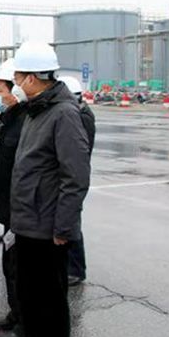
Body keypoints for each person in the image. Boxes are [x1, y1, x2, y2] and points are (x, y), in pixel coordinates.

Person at [5, 42, 90, 337]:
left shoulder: (63, 114)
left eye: (17, 77)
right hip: (27, 220)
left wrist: (64, 227)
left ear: (32, 77)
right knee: (30, 291)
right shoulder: (36, 110)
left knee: (51, 297)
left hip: (49, 225)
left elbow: (75, 176)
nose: (15, 83)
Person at [0, 59, 28, 337]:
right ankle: (15, 314)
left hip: (20, 210)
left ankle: (25, 327)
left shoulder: (26, 122)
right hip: (8, 209)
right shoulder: (12, 120)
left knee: (20, 270)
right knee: (9, 266)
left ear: (16, 90)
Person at [58, 76, 96, 287]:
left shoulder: (82, 117)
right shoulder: (78, 113)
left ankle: (76, 269)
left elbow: (79, 152)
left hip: (74, 175)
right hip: (70, 173)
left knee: (71, 221)